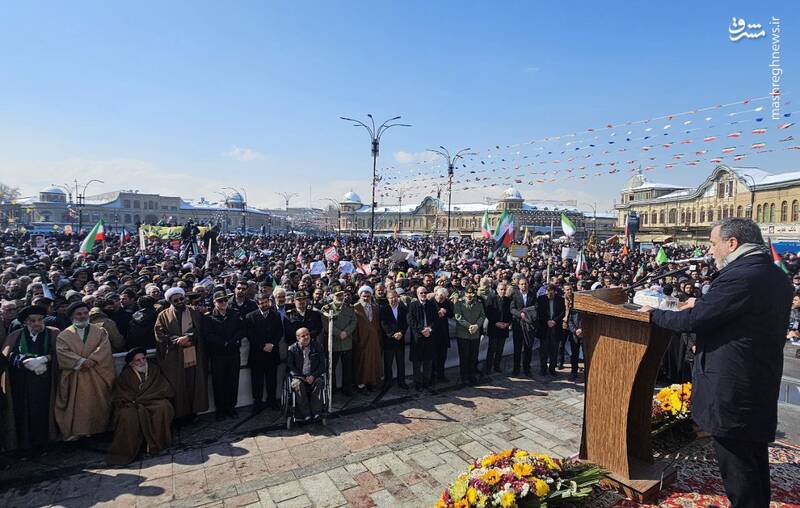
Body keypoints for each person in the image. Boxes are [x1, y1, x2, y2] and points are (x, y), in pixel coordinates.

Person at [641, 218, 793, 508]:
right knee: (753, 454)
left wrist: (653, 315)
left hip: (733, 382)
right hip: (758, 376)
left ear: (732, 243)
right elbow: (740, 318)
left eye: (713, 243)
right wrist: (704, 306)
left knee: (736, 461)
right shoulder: (774, 275)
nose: (710, 250)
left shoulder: (741, 276)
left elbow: (694, 321)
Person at [1, 305, 60, 452]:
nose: (37, 323)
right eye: (32, 321)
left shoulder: (53, 334)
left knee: (44, 411)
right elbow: (6, 356)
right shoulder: (15, 335)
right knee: (23, 413)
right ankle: (25, 445)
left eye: (40, 320)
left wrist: (46, 359)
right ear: (26, 322)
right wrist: (24, 361)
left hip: (45, 382)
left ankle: (45, 443)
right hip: (22, 383)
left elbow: (60, 354)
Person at [54, 301, 115, 441]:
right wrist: (80, 362)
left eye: (85, 313)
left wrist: (93, 360)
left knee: (100, 404)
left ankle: (100, 430)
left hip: (97, 374)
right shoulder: (64, 335)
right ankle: (80, 432)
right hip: (76, 376)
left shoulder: (100, 331)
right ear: (72, 316)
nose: (82, 316)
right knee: (79, 407)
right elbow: (63, 353)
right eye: (78, 314)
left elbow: (104, 348)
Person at [106, 348, 175, 465]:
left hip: (152, 400)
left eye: (143, 358)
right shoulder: (126, 375)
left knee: (164, 407)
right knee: (127, 416)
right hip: (133, 403)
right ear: (132, 363)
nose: (142, 362)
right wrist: (132, 400)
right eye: (137, 360)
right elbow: (121, 393)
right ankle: (132, 449)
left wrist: (146, 397)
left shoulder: (154, 370)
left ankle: (158, 444)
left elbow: (162, 387)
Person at [154, 287, 208, 422]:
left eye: (181, 299)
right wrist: (177, 341)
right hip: (175, 356)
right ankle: (181, 415)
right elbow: (160, 335)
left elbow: (201, 329)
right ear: (171, 301)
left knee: (194, 384)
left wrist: (189, 337)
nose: (179, 301)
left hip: (194, 354)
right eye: (176, 300)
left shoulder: (194, 311)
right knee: (178, 385)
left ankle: (193, 413)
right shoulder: (163, 315)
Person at [203, 291, 243, 420]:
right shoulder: (208, 318)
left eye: (225, 300)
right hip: (218, 355)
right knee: (219, 383)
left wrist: (232, 341)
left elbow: (241, 330)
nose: (224, 303)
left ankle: (231, 408)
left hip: (233, 353)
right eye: (220, 301)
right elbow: (208, 335)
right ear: (214, 303)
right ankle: (220, 410)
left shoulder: (235, 314)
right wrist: (223, 343)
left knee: (233, 382)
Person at [245, 293, 283, 413]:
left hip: (272, 352)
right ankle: (258, 403)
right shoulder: (250, 317)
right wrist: (262, 346)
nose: (264, 305)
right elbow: (250, 335)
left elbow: (279, 332)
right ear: (257, 304)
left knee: (272, 379)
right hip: (257, 354)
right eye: (261, 303)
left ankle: (272, 401)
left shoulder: (276, 315)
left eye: (266, 302)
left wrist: (272, 344)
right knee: (257, 380)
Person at [321, 288, 357, 396]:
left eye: (342, 295)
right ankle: (332, 389)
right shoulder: (326, 309)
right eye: (338, 296)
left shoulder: (349, 308)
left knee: (347, 368)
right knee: (331, 368)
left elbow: (354, 321)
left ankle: (347, 388)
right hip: (334, 344)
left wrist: (346, 332)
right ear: (333, 296)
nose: (340, 298)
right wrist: (338, 333)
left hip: (347, 342)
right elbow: (326, 325)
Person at [286, 327, 326, 420]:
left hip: (314, 375)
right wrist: (303, 377)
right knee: (297, 384)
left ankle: (316, 412)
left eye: (308, 334)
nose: (307, 337)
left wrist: (313, 375)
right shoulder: (292, 349)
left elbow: (322, 365)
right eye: (303, 336)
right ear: (298, 338)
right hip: (299, 376)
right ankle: (305, 413)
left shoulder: (317, 346)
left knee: (320, 382)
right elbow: (290, 367)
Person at [352, 285, 383, 392]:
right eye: (364, 296)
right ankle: (362, 385)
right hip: (361, 341)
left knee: (373, 363)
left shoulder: (375, 307)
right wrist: (357, 340)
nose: (366, 298)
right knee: (362, 364)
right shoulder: (355, 307)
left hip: (374, 340)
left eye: (368, 296)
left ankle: (372, 383)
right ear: (360, 296)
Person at [407, 286, 437, 391]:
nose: (423, 294)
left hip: (429, 337)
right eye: (421, 293)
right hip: (417, 338)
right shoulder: (412, 305)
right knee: (417, 363)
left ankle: (426, 382)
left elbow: (435, 320)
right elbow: (411, 320)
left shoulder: (432, 305)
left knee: (428, 362)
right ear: (417, 294)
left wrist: (429, 329)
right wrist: (421, 330)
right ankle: (417, 383)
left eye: (425, 292)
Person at [454, 286, 485, 385]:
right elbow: (458, 317)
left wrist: (477, 325)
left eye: (472, 293)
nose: (470, 295)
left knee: (473, 356)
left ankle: (471, 375)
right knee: (464, 357)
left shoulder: (479, 304)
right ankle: (464, 376)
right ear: (465, 293)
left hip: (475, 335)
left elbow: (482, 315)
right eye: (468, 293)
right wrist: (469, 326)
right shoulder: (459, 303)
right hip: (463, 335)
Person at [380, 289, 408, 390]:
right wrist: (392, 334)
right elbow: (384, 324)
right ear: (387, 299)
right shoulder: (384, 309)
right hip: (389, 341)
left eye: (395, 297)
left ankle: (402, 381)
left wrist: (401, 332)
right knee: (388, 363)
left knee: (401, 363)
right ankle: (388, 382)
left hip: (400, 339)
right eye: (391, 298)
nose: (393, 299)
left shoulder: (403, 308)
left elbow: (406, 322)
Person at [510, 276, 537, 376]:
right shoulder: (515, 295)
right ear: (518, 285)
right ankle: (516, 369)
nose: (524, 285)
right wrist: (519, 314)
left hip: (528, 325)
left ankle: (527, 368)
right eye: (521, 284)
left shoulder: (532, 295)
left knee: (528, 348)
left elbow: (536, 307)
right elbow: (512, 309)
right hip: (518, 325)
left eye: (525, 284)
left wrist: (528, 313)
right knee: (517, 348)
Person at [536, 284, 565, 377]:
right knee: (543, 350)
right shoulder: (541, 299)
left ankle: (552, 368)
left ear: (554, 291)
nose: (549, 294)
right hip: (544, 327)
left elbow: (562, 312)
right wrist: (547, 321)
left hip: (555, 328)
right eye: (548, 292)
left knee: (554, 350)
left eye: (551, 292)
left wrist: (554, 321)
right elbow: (539, 312)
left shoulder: (560, 299)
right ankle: (543, 368)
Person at [485, 281, 512, 373]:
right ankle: (488, 367)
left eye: (504, 290)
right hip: (494, 327)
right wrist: (495, 322)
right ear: (497, 290)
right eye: (501, 289)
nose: (503, 291)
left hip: (504, 328)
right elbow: (488, 312)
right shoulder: (492, 298)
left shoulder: (508, 300)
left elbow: (510, 314)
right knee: (491, 349)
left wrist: (507, 323)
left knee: (500, 349)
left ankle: (497, 366)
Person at [430, 287, 453, 383]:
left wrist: (446, 312)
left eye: (443, 297)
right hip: (433, 333)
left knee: (442, 356)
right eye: (440, 296)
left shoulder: (447, 303)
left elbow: (452, 314)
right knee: (433, 356)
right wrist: (437, 313)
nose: (441, 299)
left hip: (443, 333)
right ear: (436, 294)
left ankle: (441, 374)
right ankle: (431, 376)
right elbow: (427, 315)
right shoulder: (430, 302)